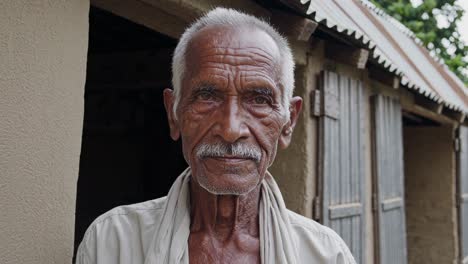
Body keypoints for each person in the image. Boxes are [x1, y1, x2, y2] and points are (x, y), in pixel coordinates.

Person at [76, 7, 356, 264]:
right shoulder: (112, 243)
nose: (231, 129)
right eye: (207, 96)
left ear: (289, 122)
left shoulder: (326, 255)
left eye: (259, 99)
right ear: (174, 113)